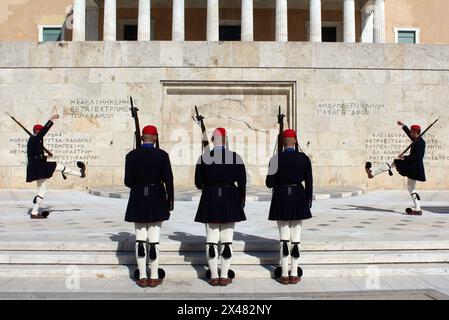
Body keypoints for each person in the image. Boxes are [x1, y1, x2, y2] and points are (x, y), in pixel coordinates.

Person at [194, 128, 246, 286]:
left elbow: (198, 183)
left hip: (210, 198)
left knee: (211, 240)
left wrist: (210, 185)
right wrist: (240, 201)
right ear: (225, 140)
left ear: (212, 140)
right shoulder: (235, 157)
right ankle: (224, 276)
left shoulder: (203, 157)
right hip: (230, 198)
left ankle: (213, 275)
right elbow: (242, 183)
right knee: (227, 241)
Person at [124, 125, 174, 288]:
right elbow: (169, 180)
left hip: (138, 196)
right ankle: (153, 276)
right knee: (154, 240)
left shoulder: (131, 155)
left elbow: (128, 182)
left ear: (141, 138)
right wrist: (170, 200)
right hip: (156, 196)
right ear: (155, 138)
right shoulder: (162, 155)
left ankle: (142, 276)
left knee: (140, 239)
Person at [266, 129, 313, 285]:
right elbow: (309, 182)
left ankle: (284, 274)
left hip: (281, 197)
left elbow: (269, 183)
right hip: (298, 197)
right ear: (295, 141)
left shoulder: (275, 159)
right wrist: (307, 202)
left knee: (284, 238)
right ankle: (294, 272)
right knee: (296, 239)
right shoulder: (304, 158)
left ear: (283, 143)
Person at [27, 114, 86, 219]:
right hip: (40, 168)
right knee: (45, 186)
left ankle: (34, 211)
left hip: (38, 168)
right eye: (40, 131)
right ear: (37, 131)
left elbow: (36, 155)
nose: (42, 134)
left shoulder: (34, 140)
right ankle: (80, 174)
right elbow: (44, 131)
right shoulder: (35, 139)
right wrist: (51, 120)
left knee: (43, 189)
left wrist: (46, 155)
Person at [365, 121, 426, 215]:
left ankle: (418, 209)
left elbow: (418, 158)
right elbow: (409, 136)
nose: (410, 133)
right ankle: (372, 173)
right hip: (411, 166)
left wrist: (404, 157)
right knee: (394, 163)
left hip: (413, 168)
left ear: (415, 132)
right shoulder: (416, 139)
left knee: (411, 188)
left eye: (411, 131)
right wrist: (403, 126)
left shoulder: (420, 143)